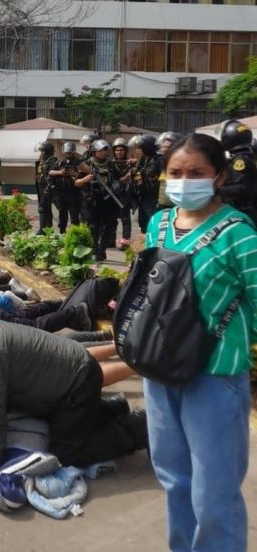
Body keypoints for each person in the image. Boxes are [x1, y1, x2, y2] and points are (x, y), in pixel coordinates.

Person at [144, 133, 257, 552]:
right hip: (159, 370)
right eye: (175, 173)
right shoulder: (159, 224)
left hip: (216, 377)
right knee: (174, 479)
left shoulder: (239, 234)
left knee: (214, 492)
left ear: (220, 176)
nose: (184, 182)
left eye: (196, 173)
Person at [0, 320, 148, 495]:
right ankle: (113, 408)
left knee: (68, 453)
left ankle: (139, 427)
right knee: (62, 423)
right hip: (65, 376)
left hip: (76, 382)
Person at [75, 140, 120, 261]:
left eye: (105, 150)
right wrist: (85, 179)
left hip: (108, 200)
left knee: (111, 226)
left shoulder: (110, 164)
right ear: (94, 151)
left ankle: (102, 248)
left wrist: (118, 184)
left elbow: (118, 179)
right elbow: (76, 182)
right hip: (92, 200)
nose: (103, 152)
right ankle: (95, 250)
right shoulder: (87, 164)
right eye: (100, 150)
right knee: (93, 227)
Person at [219, 119, 257, 225]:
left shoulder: (241, 160)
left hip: (243, 210)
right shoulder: (245, 157)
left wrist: (216, 190)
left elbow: (242, 187)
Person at [130, 134, 163, 234]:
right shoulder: (142, 160)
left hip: (153, 197)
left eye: (140, 148)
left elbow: (161, 179)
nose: (138, 151)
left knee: (152, 222)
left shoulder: (159, 160)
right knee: (143, 223)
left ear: (147, 148)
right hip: (143, 195)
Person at [48, 141, 81, 233]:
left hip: (74, 192)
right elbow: (50, 172)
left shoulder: (79, 162)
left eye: (70, 152)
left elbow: (84, 175)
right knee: (62, 213)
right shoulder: (60, 162)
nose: (68, 154)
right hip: (61, 192)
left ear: (73, 152)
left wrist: (74, 173)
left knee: (74, 215)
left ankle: (75, 233)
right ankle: (62, 232)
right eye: (67, 152)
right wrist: (60, 172)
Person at [110, 138, 134, 250]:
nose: (119, 152)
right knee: (111, 219)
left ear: (125, 151)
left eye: (121, 150)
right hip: (113, 194)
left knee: (125, 219)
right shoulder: (110, 163)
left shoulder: (130, 164)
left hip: (125, 195)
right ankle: (110, 241)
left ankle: (125, 242)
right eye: (117, 150)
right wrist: (120, 181)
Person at [34, 141, 59, 233]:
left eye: (43, 151)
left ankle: (43, 230)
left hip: (49, 187)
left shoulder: (52, 160)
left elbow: (52, 174)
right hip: (42, 187)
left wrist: (48, 185)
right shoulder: (43, 161)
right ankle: (47, 230)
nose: (41, 153)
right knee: (45, 209)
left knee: (43, 208)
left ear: (47, 151)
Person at [155, 131, 182, 210]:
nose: (164, 150)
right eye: (163, 147)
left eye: (167, 147)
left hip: (175, 205)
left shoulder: (181, 164)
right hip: (162, 203)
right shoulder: (161, 162)